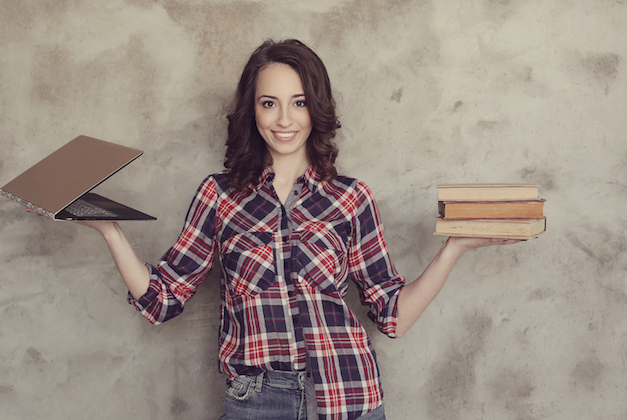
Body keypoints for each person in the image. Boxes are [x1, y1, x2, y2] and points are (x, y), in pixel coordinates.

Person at [75, 39, 520, 420]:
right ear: (252, 110)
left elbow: (392, 316)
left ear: (316, 107)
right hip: (257, 399)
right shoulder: (219, 195)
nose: (284, 119)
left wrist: (454, 249)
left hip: (349, 394)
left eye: (299, 102)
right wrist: (110, 230)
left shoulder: (351, 198)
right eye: (269, 103)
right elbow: (163, 299)